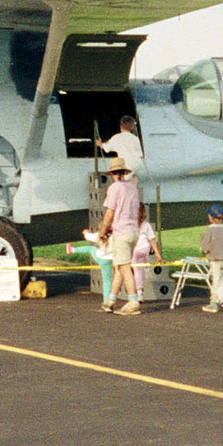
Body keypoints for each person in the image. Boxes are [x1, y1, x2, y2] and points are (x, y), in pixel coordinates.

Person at [95, 160, 143, 315]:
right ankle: (110, 301)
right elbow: (136, 210)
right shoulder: (133, 188)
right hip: (133, 230)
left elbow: (109, 213)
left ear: (112, 174)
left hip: (121, 232)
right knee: (120, 267)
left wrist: (102, 231)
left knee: (124, 267)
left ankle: (133, 301)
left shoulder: (114, 188)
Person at [199, 204, 223, 313]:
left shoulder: (209, 230)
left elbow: (204, 246)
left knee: (218, 282)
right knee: (220, 281)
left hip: (215, 260)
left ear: (211, 217)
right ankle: (214, 303)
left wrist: (205, 252)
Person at [100, 116, 145, 182]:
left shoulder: (117, 137)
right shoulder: (135, 138)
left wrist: (100, 144)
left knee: (122, 181)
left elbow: (106, 148)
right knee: (133, 179)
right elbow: (140, 154)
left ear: (121, 125)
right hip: (137, 164)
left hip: (126, 164)